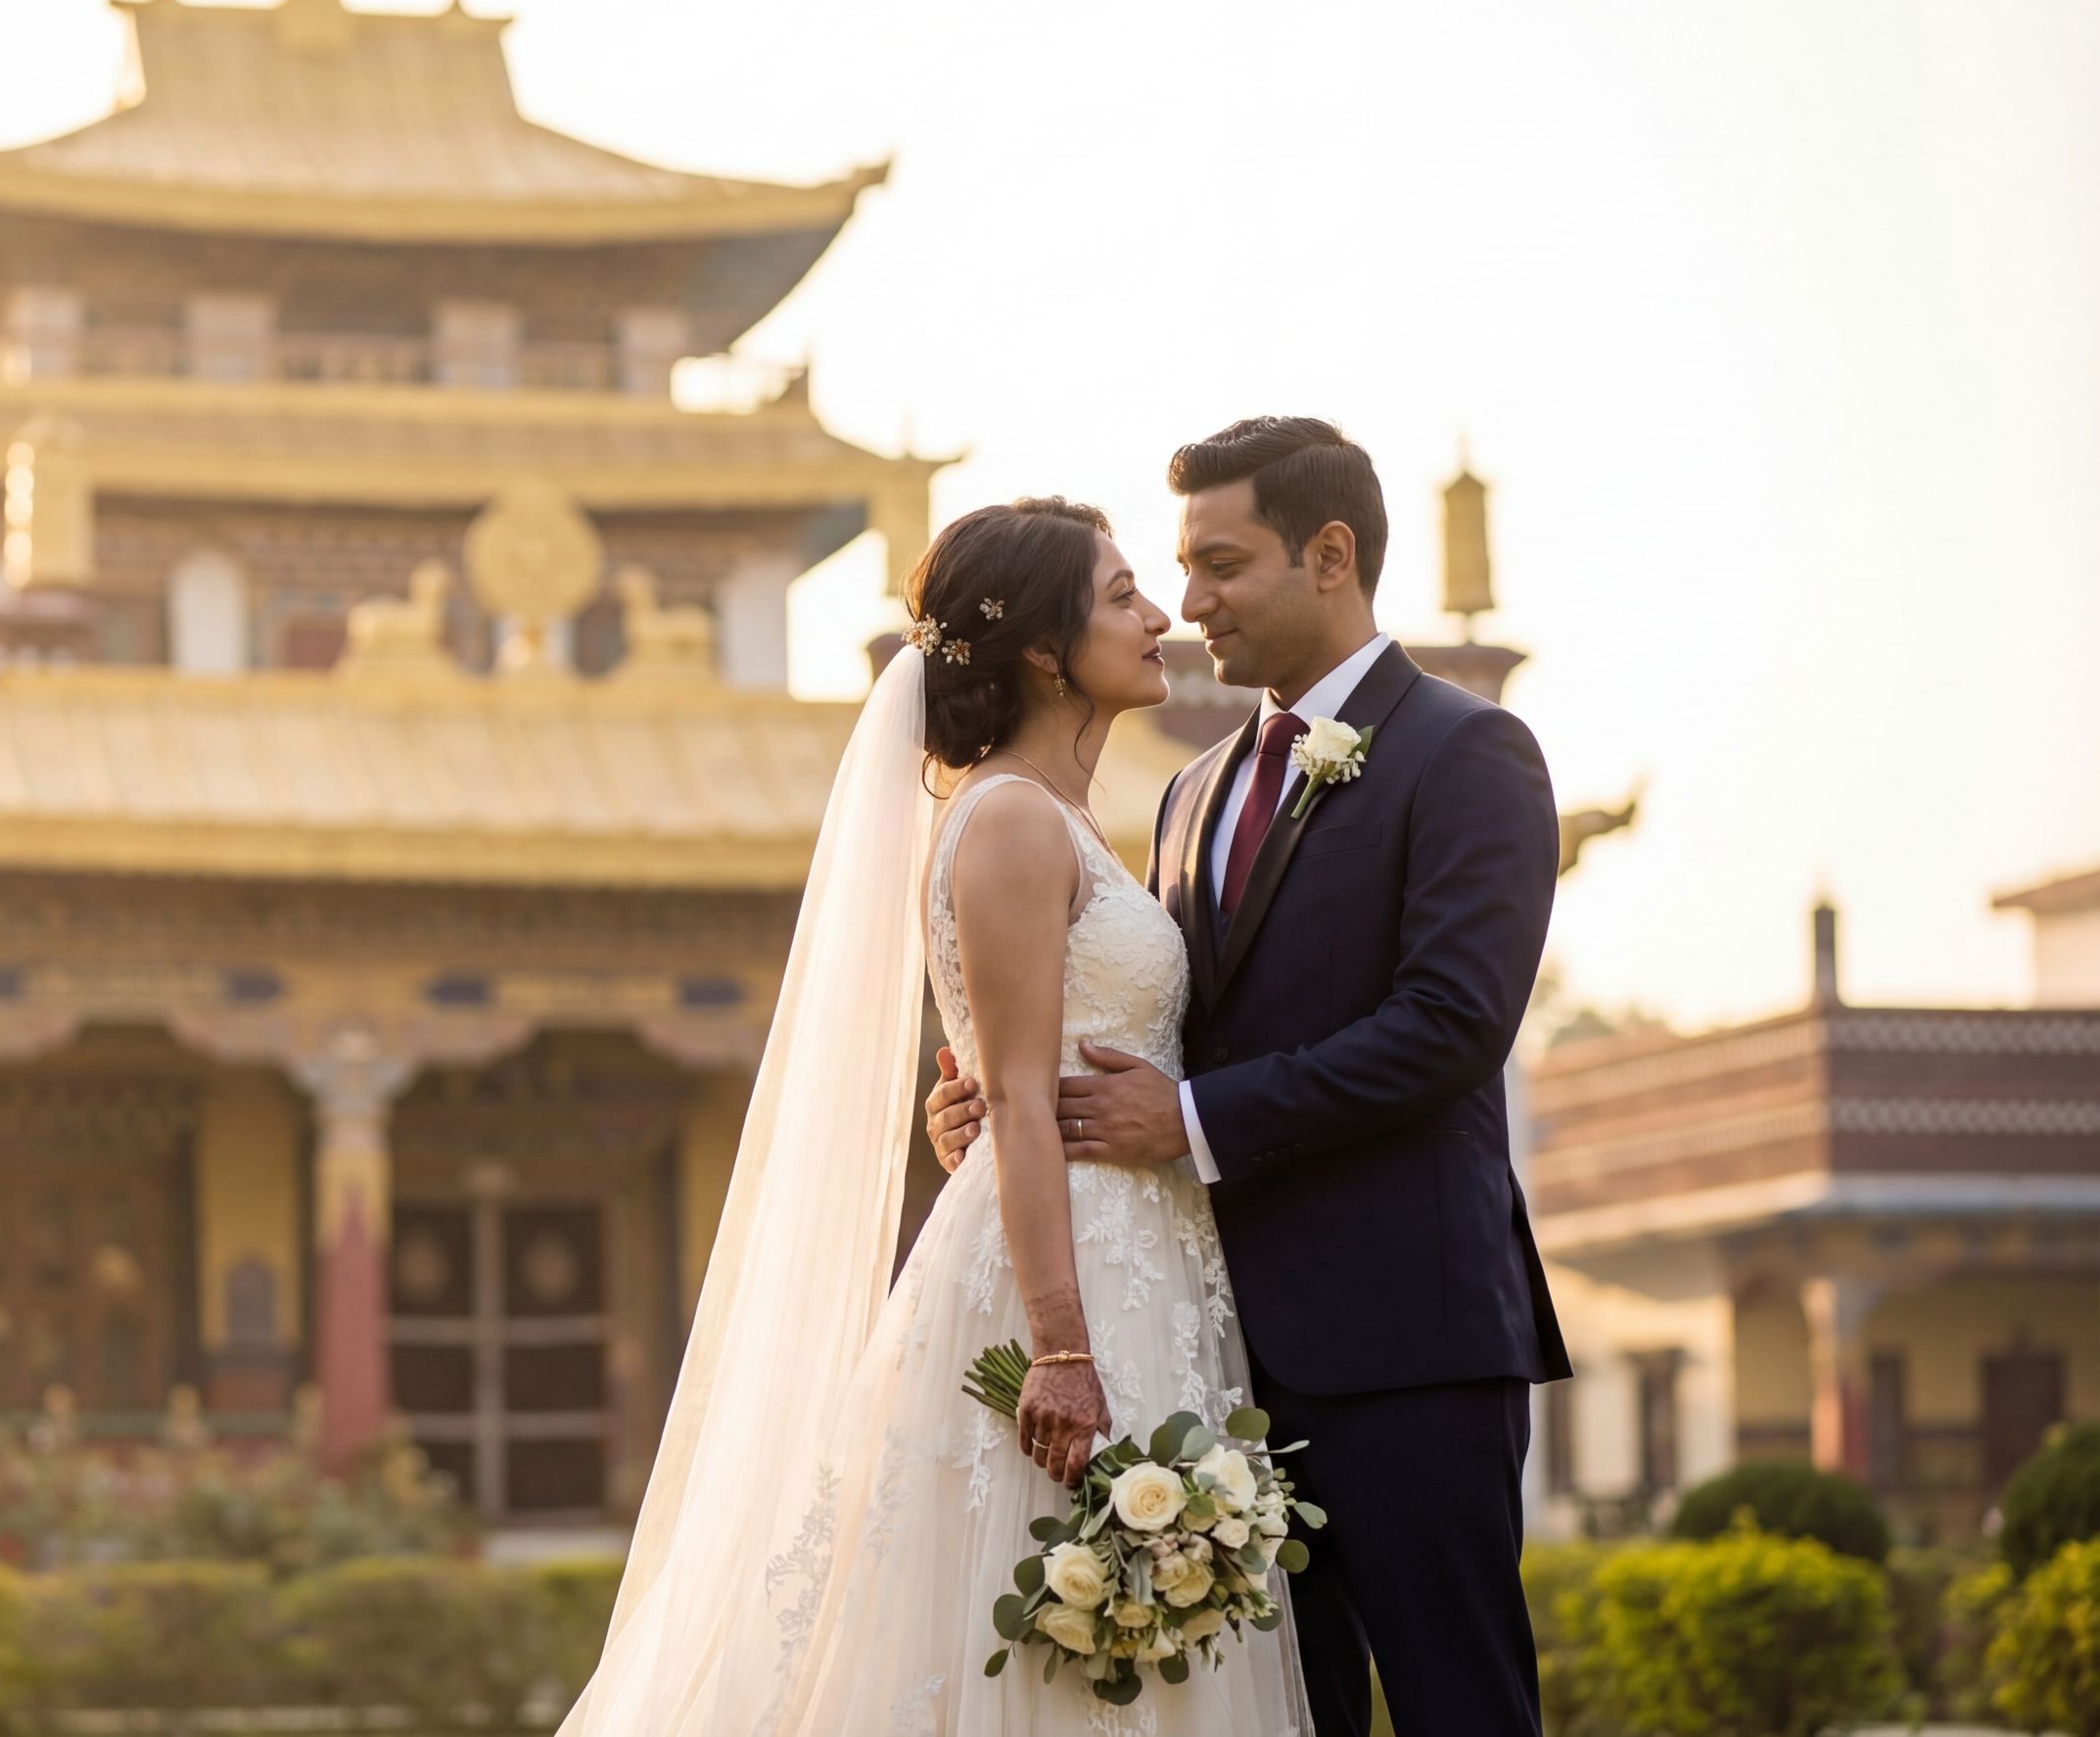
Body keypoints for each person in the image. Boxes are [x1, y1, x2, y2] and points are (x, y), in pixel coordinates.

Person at [560, 496, 1307, 1734]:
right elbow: (1017, 1091)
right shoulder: (1010, 818)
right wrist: (1063, 1349)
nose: (1158, 614)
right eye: (1123, 594)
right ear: (1040, 648)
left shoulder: (1078, 819)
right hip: (1065, 1281)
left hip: (1145, 1256)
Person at [925, 418, 1570, 1735]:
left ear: (1329, 556)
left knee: (1462, 1704)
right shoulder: (1192, 788)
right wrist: (1005, 1101)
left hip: (1406, 1345)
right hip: (1206, 1356)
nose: (1186, 606)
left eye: (1221, 565)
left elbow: (1451, 1022)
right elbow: (1160, 1021)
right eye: (1169, 572)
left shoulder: (1468, 750)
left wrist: (1192, 1118)